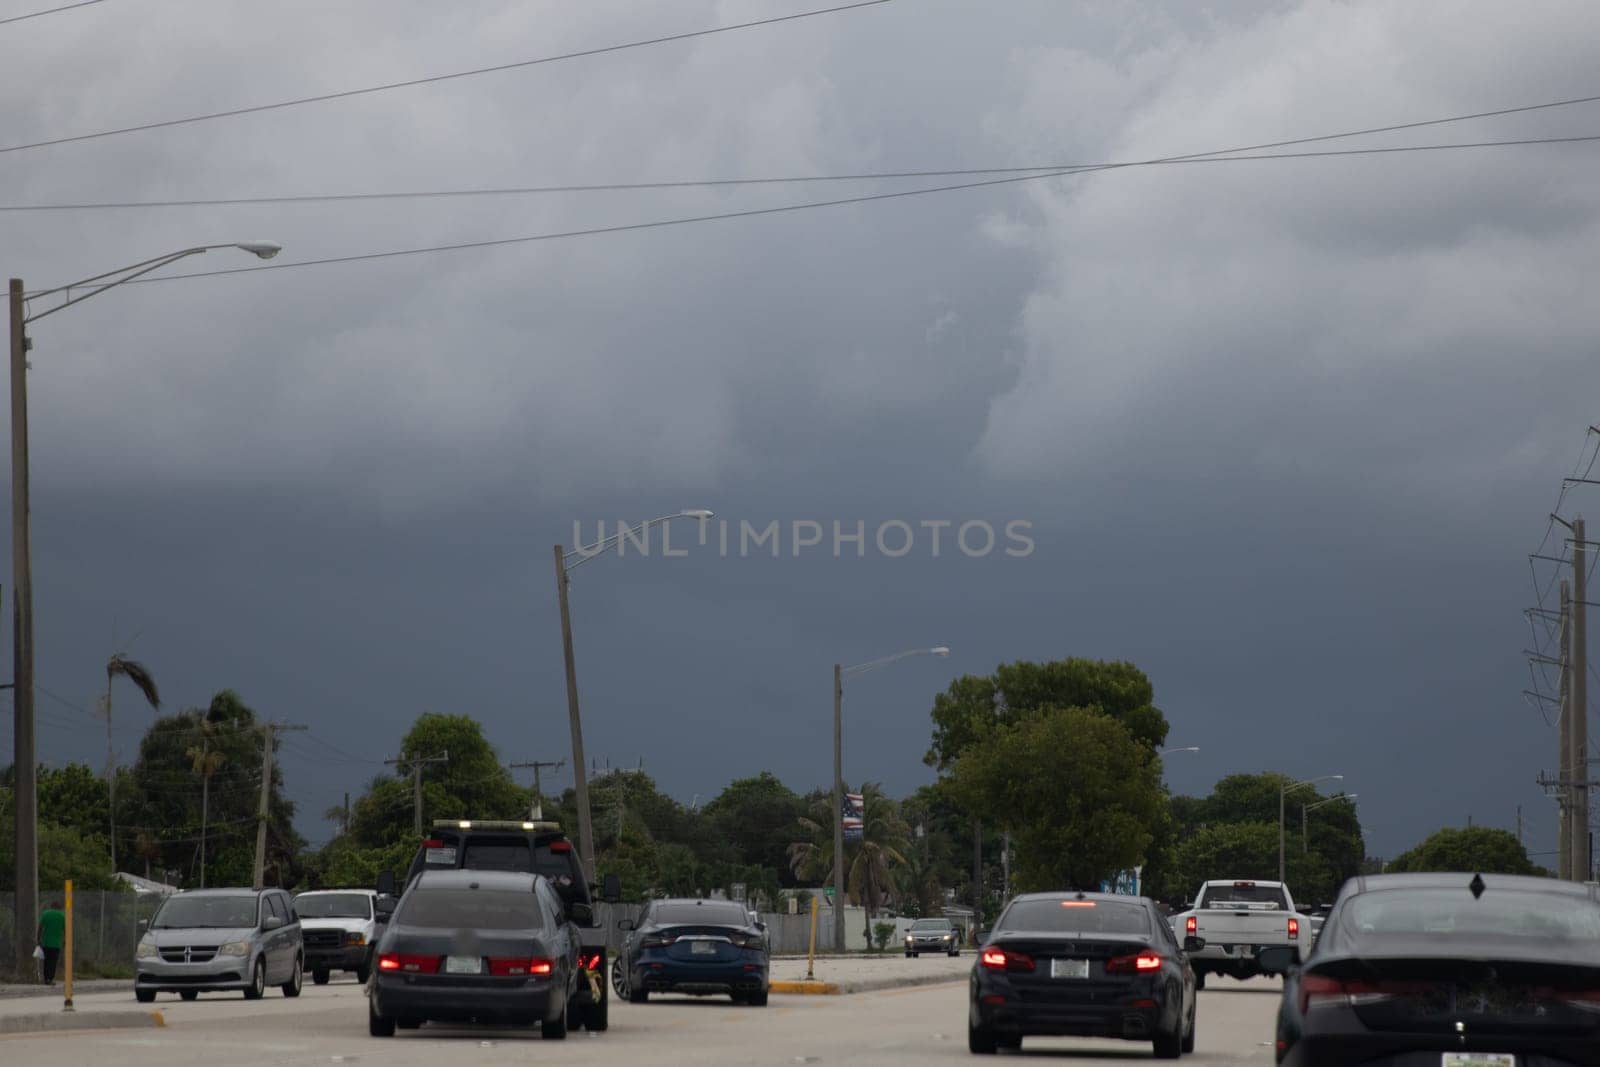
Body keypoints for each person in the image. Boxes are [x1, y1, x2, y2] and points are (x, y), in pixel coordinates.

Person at [37, 900, 65, 984]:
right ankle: (50, 978)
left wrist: (38, 939)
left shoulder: (45, 914)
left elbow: (40, 927)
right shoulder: (62, 915)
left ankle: (46, 979)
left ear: (51, 906)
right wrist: (65, 940)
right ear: (59, 907)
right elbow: (65, 929)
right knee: (53, 961)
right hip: (56, 943)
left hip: (46, 942)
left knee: (46, 961)